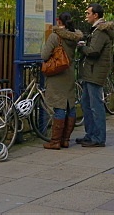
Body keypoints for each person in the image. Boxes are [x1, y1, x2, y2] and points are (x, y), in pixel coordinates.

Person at [40, 12, 83, 150]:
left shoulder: (55, 36)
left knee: (59, 106)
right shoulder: (74, 37)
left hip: (57, 75)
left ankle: (55, 141)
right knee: (70, 105)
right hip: (69, 73)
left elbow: (45, 55)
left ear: (59, 21)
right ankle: (65, 140)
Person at [75, 3, 114, 148]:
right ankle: (90, 134)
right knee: (86, 104)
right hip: (90, 72)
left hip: (95, 72)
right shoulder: (96, 30)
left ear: (95, 15)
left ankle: (98, 138)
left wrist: (81, 47)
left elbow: (93, 51)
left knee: (95, 105)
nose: (86, 16)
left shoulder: (100, 31)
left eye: (88, 13)